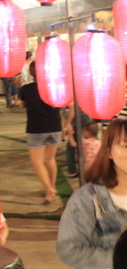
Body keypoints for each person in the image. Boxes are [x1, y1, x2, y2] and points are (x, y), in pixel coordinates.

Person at [57, 118, 127, 267]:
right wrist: (119, 260)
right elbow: (69, 250)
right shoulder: (87, 198)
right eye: (125, 145)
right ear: (109, 152)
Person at [17, 62, 61, 204]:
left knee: (37, 162)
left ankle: (49, 189)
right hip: (55, 126)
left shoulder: (26, 89)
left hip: (36, 128)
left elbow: (21, 105)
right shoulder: (55, 87)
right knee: (50, 159)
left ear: (31, 73)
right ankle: (51, 187)